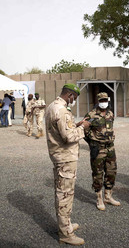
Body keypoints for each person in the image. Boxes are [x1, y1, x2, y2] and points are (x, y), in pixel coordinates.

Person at [45, 83, 90, 246]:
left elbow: (61, 129)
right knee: (65, 194)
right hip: (65, 158)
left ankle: (66, 225)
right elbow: (68, 137)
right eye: (74, 98)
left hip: (59, 156)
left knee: (63, 191)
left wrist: (75, 125)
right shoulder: (62, 110)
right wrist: (83, 128)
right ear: (70, 95)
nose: (74, 101)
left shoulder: (52, 106)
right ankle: (65, 233)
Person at [84, 92, 120, 211]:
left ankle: (108, 196)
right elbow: (84, 130)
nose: (104, 102)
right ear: (98, 101)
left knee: (111, 171)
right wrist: (92, 142)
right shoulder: (91, 114)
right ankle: (99, 198)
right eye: (102, 100)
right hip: (98, 148)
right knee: (98, 173)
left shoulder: (110, 113)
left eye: (105, 100)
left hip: (110, 147)